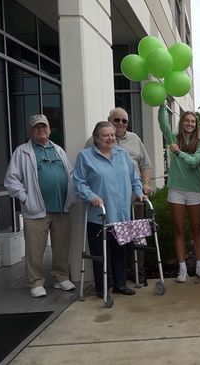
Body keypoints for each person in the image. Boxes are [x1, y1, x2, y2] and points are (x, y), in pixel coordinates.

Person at [4, 114, 77, 298]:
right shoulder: (22, 151)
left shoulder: (58, 150)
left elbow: (70, 174)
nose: (41, 130)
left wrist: (73, 195)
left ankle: (61, 277)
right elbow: (11, 180)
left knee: (62, 246)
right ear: (31, 131)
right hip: (36, 209)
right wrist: (25, 198)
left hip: (61, 208)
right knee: (35, 249)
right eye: (37, 127)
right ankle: (35, 282)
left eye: (44, 127)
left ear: (50, 129)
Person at [73, 121, 145, 297]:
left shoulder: (122, 154)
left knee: (121, 251)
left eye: (112, 135)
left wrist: (139, 192)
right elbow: (79, 182)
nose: (110, 138)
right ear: (96, 138)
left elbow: (134, 177)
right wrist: (91, 197)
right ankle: (102, 287)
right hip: (100, 215)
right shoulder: (85, 157)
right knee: (101, 254)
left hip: (122, 214)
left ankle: (120, 284)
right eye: (106, 135)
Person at [84, 107, 152, 285]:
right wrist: (91, 195)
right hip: (104, 207)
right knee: (107, 246)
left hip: (131, 203)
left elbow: (143, 166)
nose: (120, 124)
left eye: (124, 121)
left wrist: (143, 187)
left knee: (135, 242)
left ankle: (137, 275)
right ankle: (109, 282)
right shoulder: (89, 149)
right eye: (117, 120)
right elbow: (81, 179)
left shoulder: (133, 141)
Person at [158, 107, 200, 282]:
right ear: (182, 123)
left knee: (197, 230)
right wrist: (162, 104)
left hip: (195, 190)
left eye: (193, 121)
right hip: (176, 190)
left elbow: (195, 163)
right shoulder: (173, 138)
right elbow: (162, 124)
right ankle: (182, 269)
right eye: (187, 120)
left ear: (196, 125)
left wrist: (178, 152)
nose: (189, 123)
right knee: (179, 230)